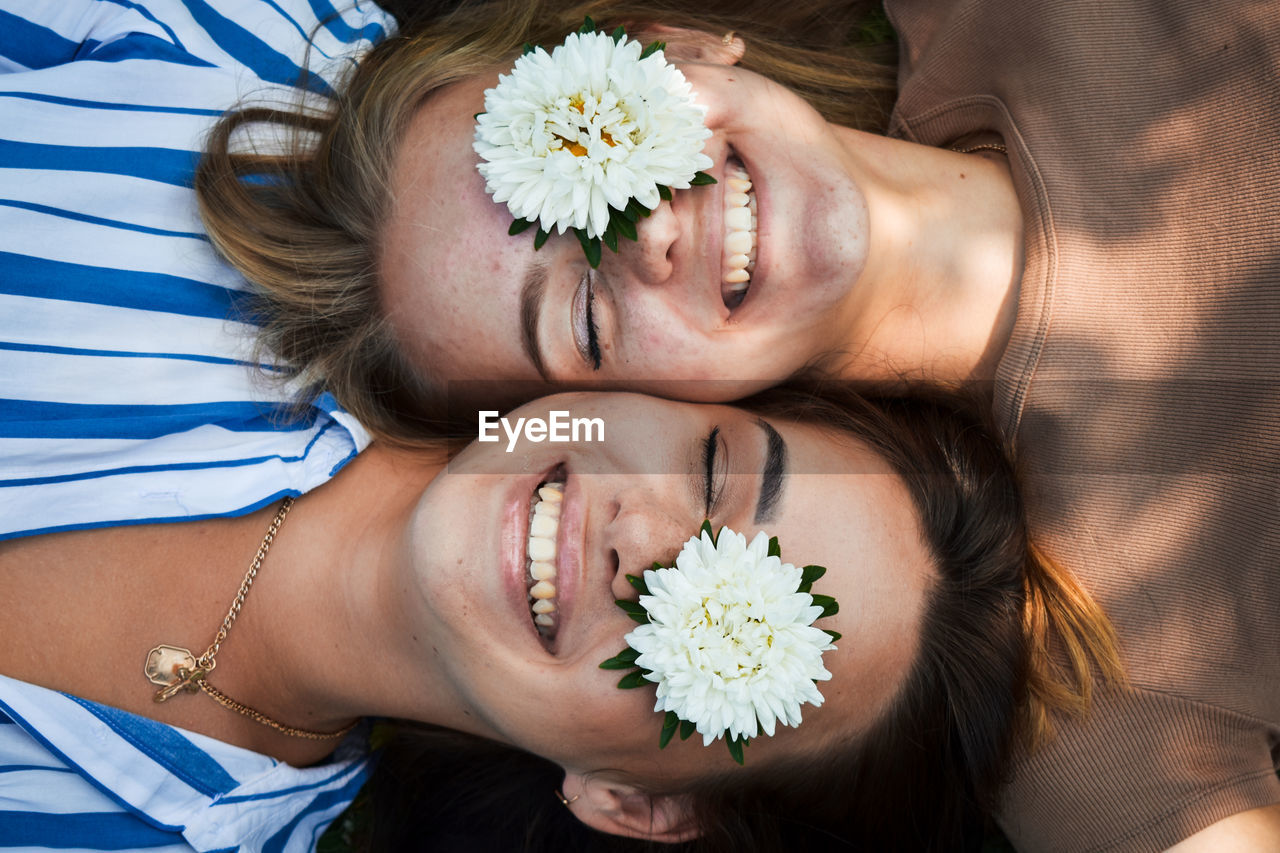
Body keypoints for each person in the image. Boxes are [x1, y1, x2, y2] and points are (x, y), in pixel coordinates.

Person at [195, 1, 1280, 849]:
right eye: (580, 313)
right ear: (610, 410)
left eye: (585, 138)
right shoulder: (1081, 688)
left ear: (665, 47)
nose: (647, 227)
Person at [0, 385, 1116, 852]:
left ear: (636, 804)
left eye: (730, 641)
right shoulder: (235, 92)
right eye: (720, 467)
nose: (647, 547)